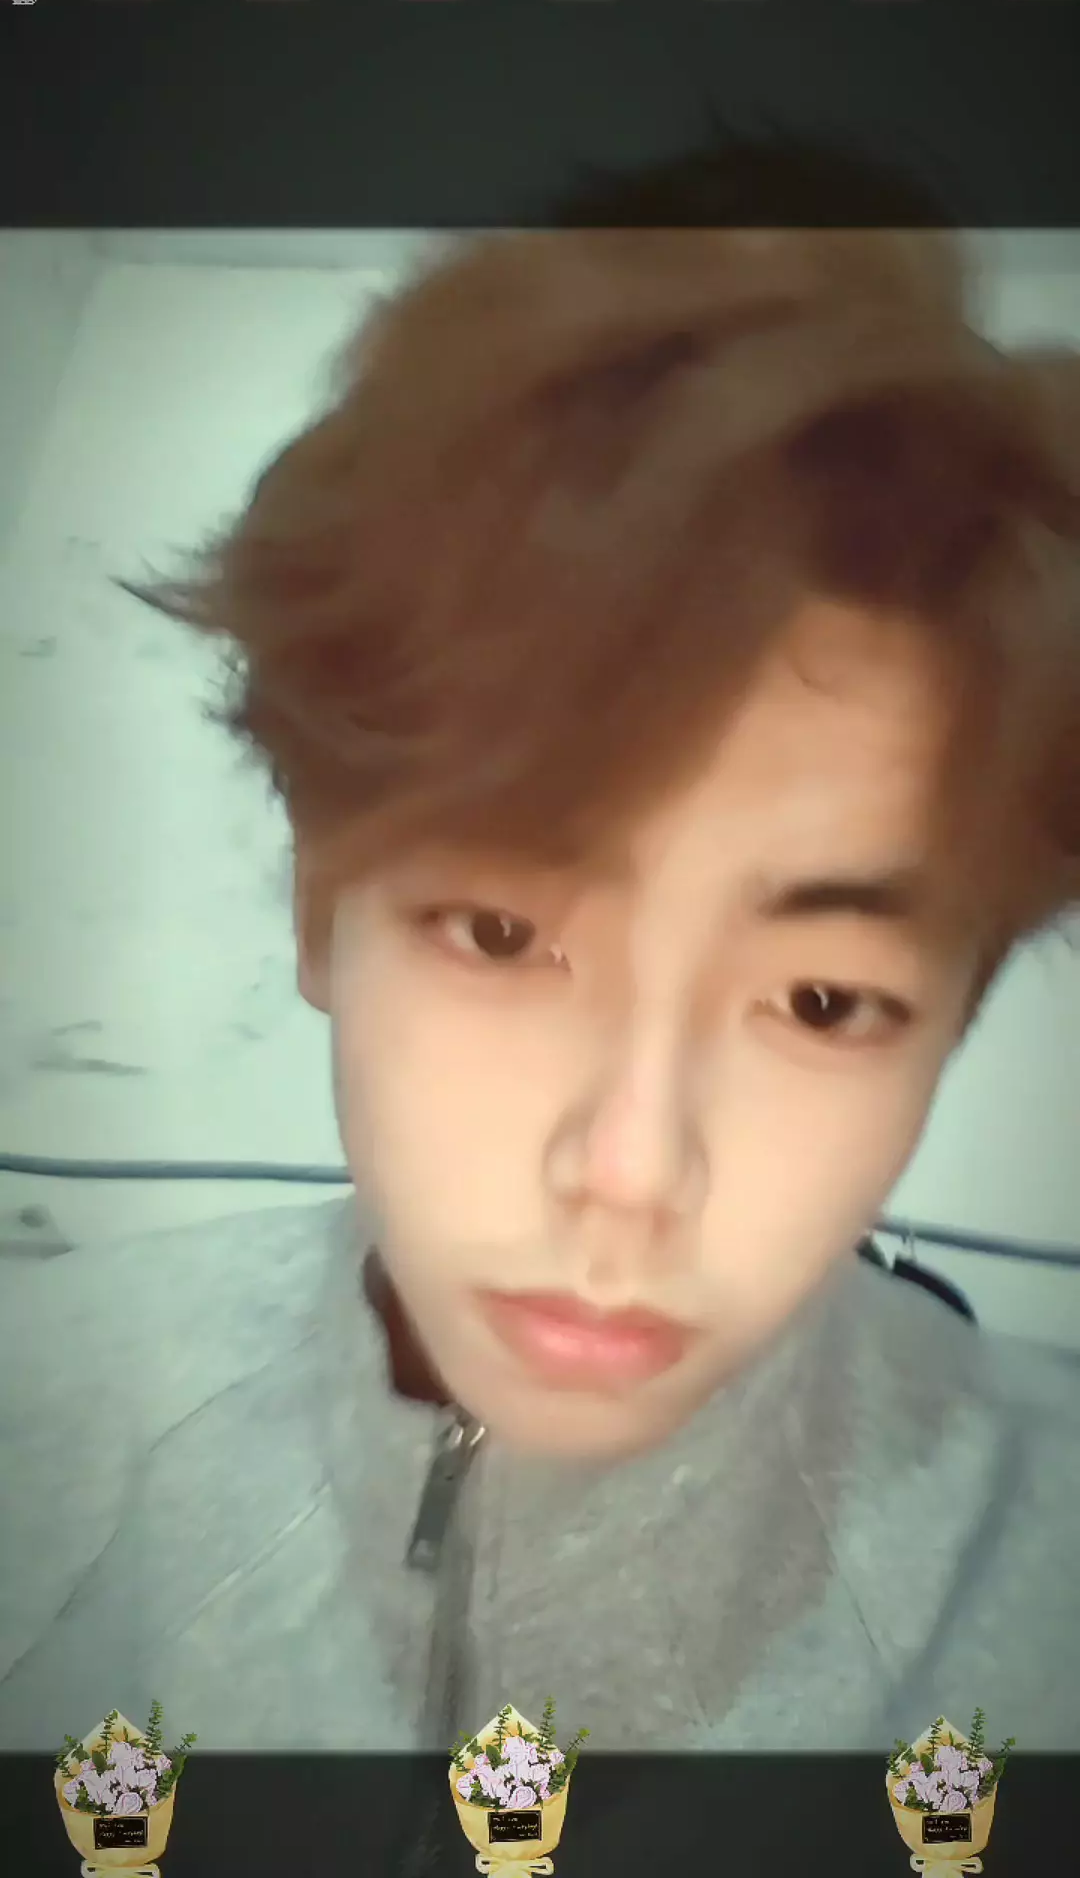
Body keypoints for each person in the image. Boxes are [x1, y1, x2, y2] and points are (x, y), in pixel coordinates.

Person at [2, 138, 1079, 1770]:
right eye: (502, 931)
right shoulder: (38, 1428)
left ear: (953, 1019)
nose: (629, 1173)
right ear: (321, 906)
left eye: (822, 1001)